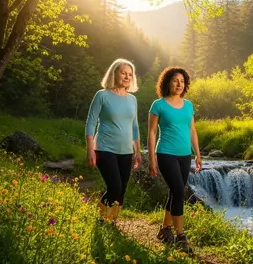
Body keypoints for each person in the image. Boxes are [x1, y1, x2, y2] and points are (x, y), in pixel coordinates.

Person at [147, 66, 202, 252]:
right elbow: (152, 132)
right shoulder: (158, 105)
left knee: (174, 192)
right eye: (175, 80)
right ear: (167, 82)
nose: (179, 84)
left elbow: (192, 130)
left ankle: (164, 229)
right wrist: (152, 158)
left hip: (185, 155)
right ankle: (181, 236)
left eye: (182, 81)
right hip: (166, 153)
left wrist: (198, 154)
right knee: (179, 190)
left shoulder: (188, 105)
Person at [86, 58, 142, 222]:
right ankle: (102, 220)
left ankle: (112, 221)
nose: (127, 77)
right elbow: (91, 122)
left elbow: (135, 126)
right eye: (123, 73)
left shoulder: (132, 99)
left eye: (130, 74)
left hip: (126, 151)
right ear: (114, 73)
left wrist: (138, 151)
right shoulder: (102, 95)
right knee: (114, 186)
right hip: (104, 148)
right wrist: (90, 149)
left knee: (122, 189)